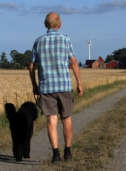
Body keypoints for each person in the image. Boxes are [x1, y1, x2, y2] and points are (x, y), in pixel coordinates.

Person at [29, 12, 83, 163]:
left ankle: (55, 155)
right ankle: (67, 152)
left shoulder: (38, 41)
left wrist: (35, 86)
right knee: (66, 118)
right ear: (59, 24)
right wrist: (79, 83)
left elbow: (31, 65)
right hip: (64, 86)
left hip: (46, 87)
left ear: (46, 25)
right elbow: (73, 62)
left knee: (51, 120)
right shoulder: (66, 40)